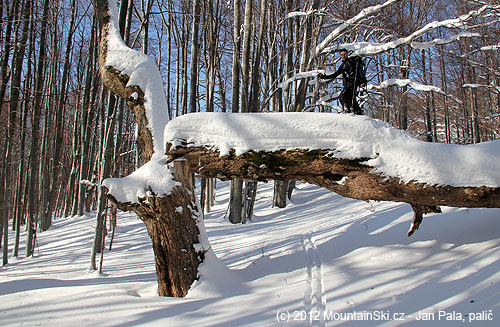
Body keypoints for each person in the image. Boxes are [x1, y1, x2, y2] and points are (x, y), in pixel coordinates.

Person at [318, 49, 363, 115]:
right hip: (347, 84)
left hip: (353, 83)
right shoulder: (342, 66)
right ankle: (358, 112)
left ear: (347, 54)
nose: (343, 56)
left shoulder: (351, 61)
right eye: (341, 55)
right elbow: (335, 74)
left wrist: (358, 59)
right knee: (350, 98)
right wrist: (324, 77)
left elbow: (359, 61)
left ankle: (347, 110)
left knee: (343, 96)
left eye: (344, 54)